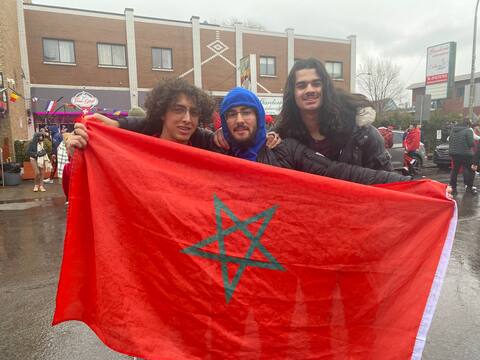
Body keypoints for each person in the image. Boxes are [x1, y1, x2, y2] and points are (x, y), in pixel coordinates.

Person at [69, 86, 411, 186]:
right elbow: (163, 131)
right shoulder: (215, 147)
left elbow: (340, 174)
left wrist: (405, 186)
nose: (239, 120)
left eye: (247, 112)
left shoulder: (286, 149)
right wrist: (109, 131)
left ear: (259, 117)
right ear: (223, 122)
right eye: (231, 114)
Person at [273, 58, 393, 171]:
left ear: (326, 88)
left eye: (316, 84)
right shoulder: (281, 138)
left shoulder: (363, 135)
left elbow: (388, 184)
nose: (310, 90)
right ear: (292, 93)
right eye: (301, 86)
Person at [449, 118, 476, 195]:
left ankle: (453, 188)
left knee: (455, 171)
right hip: (466, 154)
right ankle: (469, 188)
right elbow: (471, 143)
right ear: (468, 124)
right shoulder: (468, 130)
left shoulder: (453, 130)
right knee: (471, 170)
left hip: (455, 154)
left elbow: (450, 140)